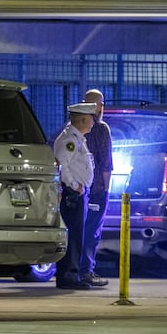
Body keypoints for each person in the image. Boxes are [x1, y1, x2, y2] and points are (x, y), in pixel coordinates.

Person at [53, 101, 97, 290]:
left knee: (76, 236)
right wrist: (74, 185)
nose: (93, 123)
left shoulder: (77, 139)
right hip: (72, 195)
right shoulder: (71, 141)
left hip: (76, 194)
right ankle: (69, 277)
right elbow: (62, 164)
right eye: (90, 119)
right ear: (82, 120)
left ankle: (72, 274)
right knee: (73, 237)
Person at [78, 89, 113, 288]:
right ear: (98, 105)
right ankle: (86, 271)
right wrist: (106, 190)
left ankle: (74, 269)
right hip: (97, 188)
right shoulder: (100, 128)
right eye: (101, 103)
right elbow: (106, 162)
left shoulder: (74, 126)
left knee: (78, 230)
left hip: (77, 187)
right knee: (92, 232)